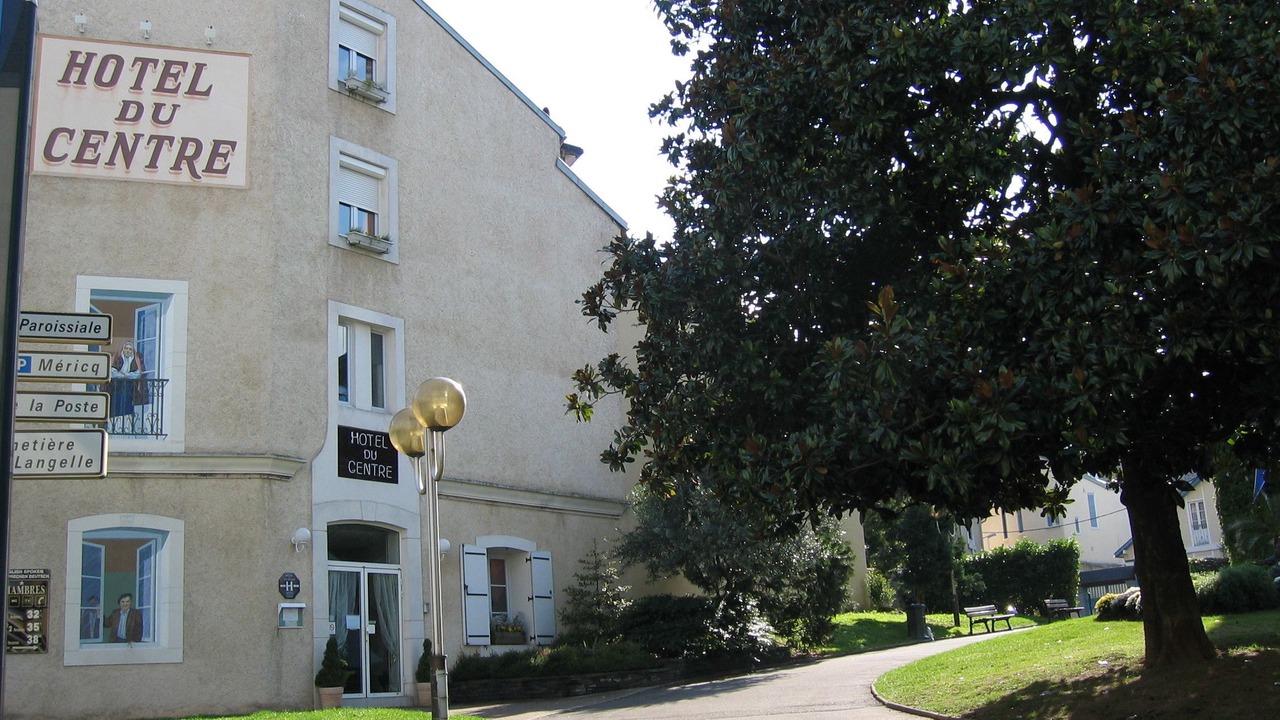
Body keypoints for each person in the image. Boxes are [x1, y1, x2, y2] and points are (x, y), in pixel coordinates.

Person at [109, 341, 147, 427]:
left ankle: (127, 424)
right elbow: (112, 372)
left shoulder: (134, 361)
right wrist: (125, 375)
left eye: (130, 349)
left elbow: (137, 374)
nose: (128, 351)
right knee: (117, 406)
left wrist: (125, 375)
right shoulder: (118, 359)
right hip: (117, 388)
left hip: (129, 388)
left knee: (127, 407)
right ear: (123, 350)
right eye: (126, 348)